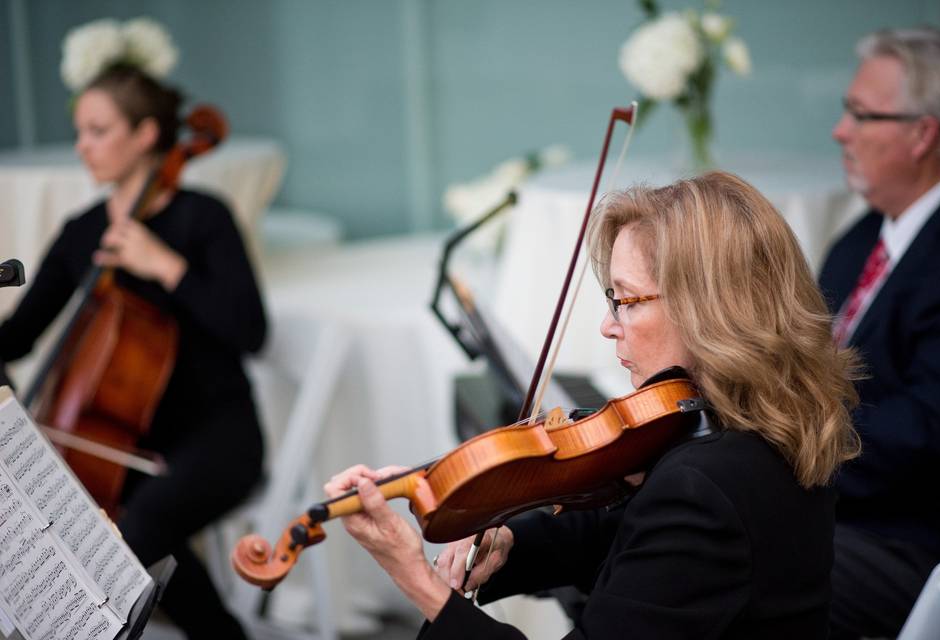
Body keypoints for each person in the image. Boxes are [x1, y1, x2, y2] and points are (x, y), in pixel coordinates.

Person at [324, 171, 860, 639]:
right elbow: (634, 537)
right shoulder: (772, 423)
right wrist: (510, 540)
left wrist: (417, 580)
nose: (609, 326)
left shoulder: (704, 486)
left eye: (625, 301)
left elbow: (668, 524)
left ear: (710, 310)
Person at [0, 63, 266, 639]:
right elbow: (18, 337)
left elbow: (251, 331)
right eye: (80, 132)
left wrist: (165, 266)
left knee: (137, 526)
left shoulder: (203, 218)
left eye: (98, 131)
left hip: (219, 435)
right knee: (83, 528)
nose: (82, 146)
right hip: (120, 446)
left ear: (147, 134)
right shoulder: (83, 232)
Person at [821, 27, 940, 639]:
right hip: (848, 503)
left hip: (915, 537)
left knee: (716, 561)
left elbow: (930, 430)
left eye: (861, 114)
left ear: (924, 134)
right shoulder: (863, 236)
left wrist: (790, 443)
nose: (840, 131)